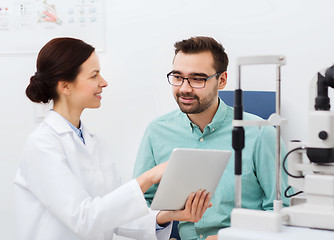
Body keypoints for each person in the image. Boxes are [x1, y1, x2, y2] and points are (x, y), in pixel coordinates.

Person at [14, 37, 212, 240]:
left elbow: (116, 215)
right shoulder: (42, 145)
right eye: (94, 75)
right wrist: (149, 177)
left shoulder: (94, 143)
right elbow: (84, 219)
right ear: (65, 86)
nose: (104, 82)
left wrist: (167, 216)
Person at [132, 36, 290, 239]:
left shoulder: (260, 133)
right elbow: (139, 206)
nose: (185, 88)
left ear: (222, 80)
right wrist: (164, 220)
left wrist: (231, 237)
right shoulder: (157, 131)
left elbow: (282, 212)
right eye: (178, 77)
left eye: (198, 79)